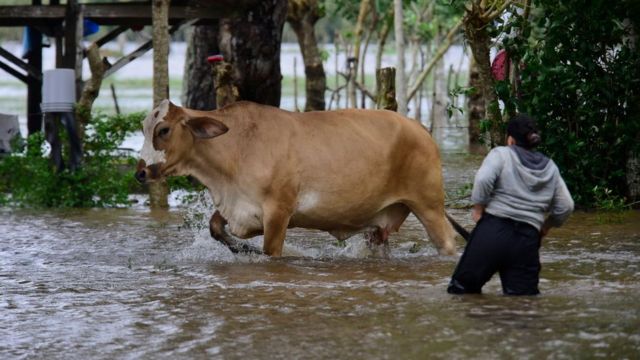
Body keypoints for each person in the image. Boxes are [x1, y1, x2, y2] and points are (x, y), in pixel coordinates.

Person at [448, 114, 574, 295]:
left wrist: (478, 208)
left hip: (493, 231)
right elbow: (566, 206)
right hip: (527, 240)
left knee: (462, 291)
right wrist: (546, 227)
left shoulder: (502, 154)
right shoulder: (550, 167)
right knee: (522, 301)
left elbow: (483, 179)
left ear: (511, 140)